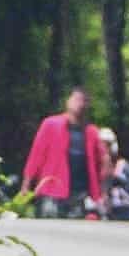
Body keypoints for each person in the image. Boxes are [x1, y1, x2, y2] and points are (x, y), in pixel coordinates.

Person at [22, 86, 102, 219]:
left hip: (79, 193)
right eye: (77, 99)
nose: (80, 104)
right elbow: (36, 155)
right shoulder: (51, 124)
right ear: (68, 102)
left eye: (84, 101)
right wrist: (26, 186)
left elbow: (99, 165)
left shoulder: (92, 132)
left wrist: (100, 194)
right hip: (51, 190)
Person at [101, 127, 129, 222]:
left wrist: (115, 179)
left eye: (106, 146)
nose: (104, 150)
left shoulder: (126, 167)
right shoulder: (94, 169)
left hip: (124, 212)